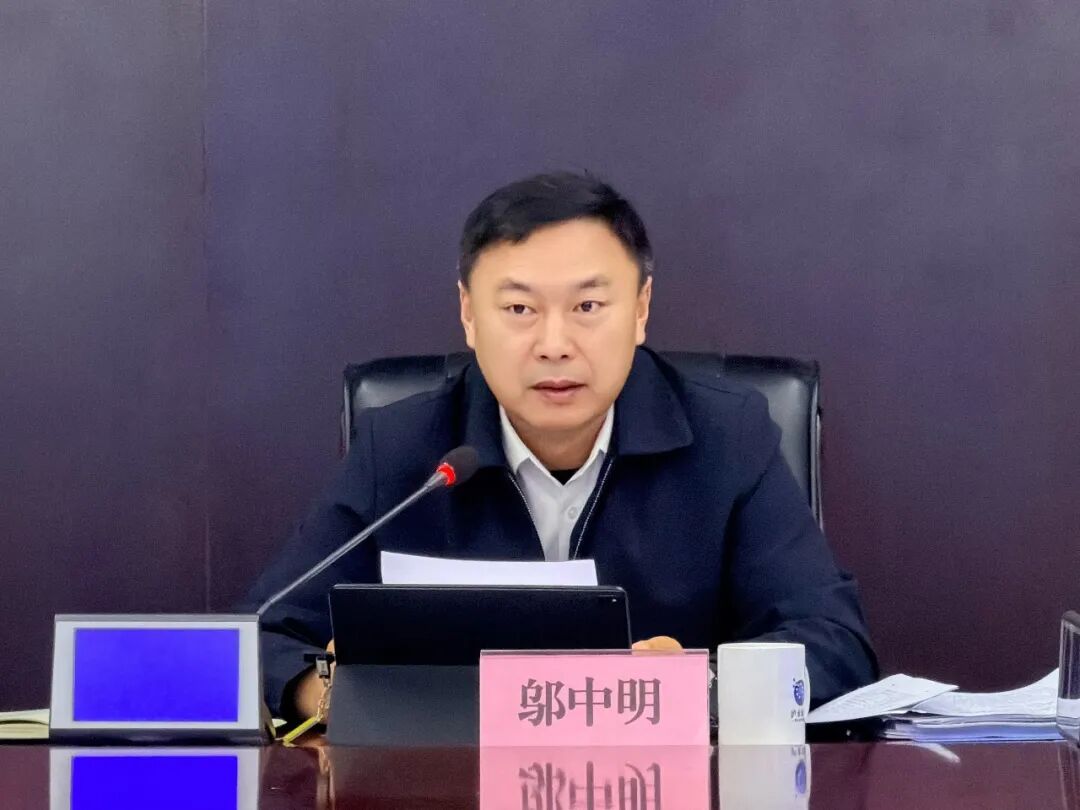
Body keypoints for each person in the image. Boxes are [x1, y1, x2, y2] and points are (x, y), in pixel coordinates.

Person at [246, 171, 878, 721]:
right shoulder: (404, 450)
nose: (555, 344)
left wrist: (699, 687)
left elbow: (834, 643)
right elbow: (261, 635)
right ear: (469, 314)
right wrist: (328, 694)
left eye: (588, 305)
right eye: (520, 309)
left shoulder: (726, 437)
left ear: (641, 308)